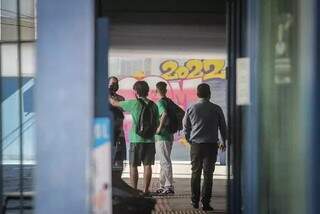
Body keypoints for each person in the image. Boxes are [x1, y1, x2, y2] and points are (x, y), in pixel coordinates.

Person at [183, 83, 227, 211]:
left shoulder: (191, 108)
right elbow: (223, 127)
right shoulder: (217, 108)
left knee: (195, 172)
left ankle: (194, 200)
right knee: (208, 174)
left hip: (196, 145)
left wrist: (189, 140)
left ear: (197, 94)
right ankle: (206, 203)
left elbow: (186, 128)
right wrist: (223, 141)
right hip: (211, 146)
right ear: (209, 94)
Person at [110, 80, 159, 194]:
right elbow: (156, 122)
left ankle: (134, 191)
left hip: (136, 139)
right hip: (150, 140)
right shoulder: (154, 105)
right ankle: (146, 190)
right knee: (148, 166)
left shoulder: (134, 103)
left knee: (133, 166)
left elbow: (114, 103)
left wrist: (108, 94)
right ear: (147, 91)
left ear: (136, 92)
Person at [154, 81, 175, 194]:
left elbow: (165, 114)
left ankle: (169, 186)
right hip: (169, 135)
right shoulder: (169, 101)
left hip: (162, 136)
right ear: (166, 90)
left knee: (165, 161)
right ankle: (162, 185)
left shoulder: (160, 102)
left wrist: (159, 128)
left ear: (156, 91)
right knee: (163, 161)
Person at [108, 76, 126, 172]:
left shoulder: (119, 98)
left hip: (119, 132)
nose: (115, 85)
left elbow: (123, 106)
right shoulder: (103, 96)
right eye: (113, 83)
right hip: (108, 132)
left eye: (116, 83)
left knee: (118, 157)